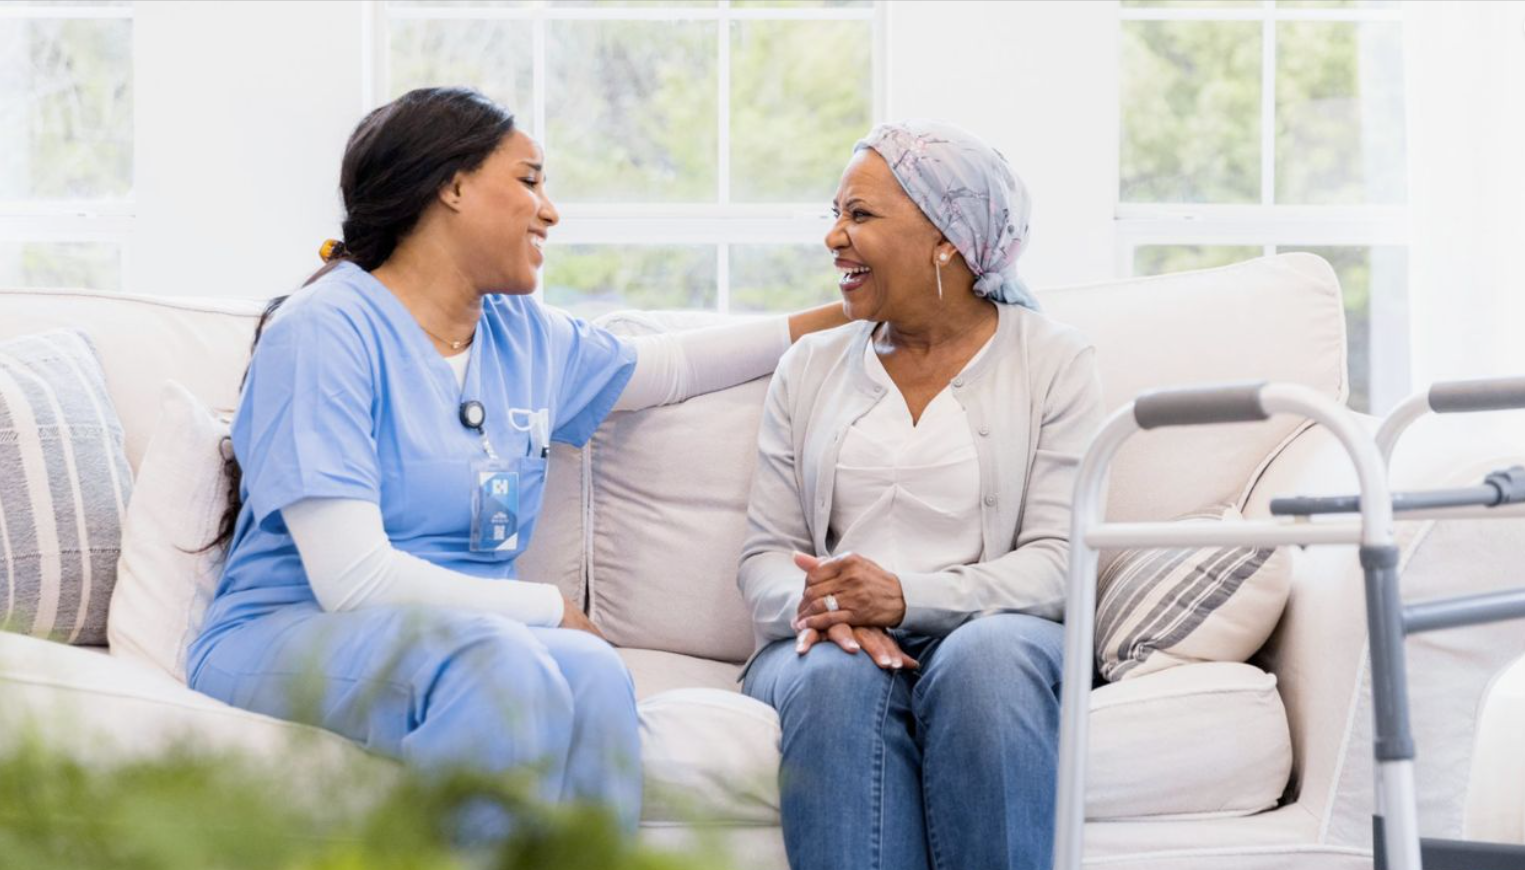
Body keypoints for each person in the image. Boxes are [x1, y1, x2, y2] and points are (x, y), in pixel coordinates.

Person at [186, 87, 848, 833]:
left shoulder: (517, 333)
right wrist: (550, 608)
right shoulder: (324, 331)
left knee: (596, 672)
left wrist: (854, 311)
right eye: (529, 179)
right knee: (497, 665)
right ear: (453, 185)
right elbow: (351, 580)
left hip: (475, 637)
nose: (551, 209)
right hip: (291, 630)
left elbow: (667, 369)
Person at [738, 119, 1105, 870]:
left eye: (860, 215)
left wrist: (905, 599)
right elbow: (765, 557)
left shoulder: (1053, 362)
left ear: (947, 239)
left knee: (987, 663)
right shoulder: (808, 366)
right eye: (834, 215)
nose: (834, 237)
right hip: (829, 636)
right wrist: (828, 606)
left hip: (997, 625)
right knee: (835, 678)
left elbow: (1060, 565)